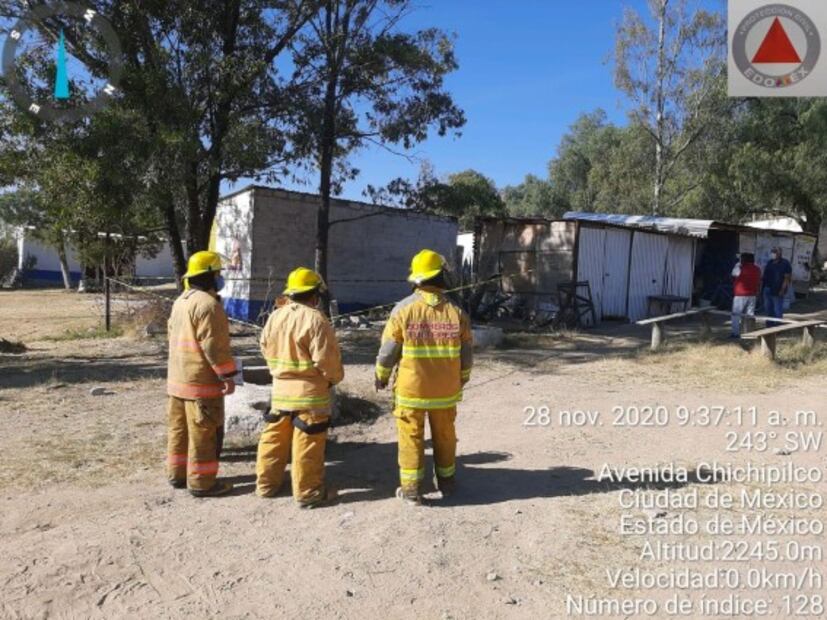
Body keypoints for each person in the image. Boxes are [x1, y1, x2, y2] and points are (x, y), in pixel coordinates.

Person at [375, 249, 473, 505]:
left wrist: (381, 375)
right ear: (441, 276)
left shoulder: (403, 310)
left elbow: (388, 352)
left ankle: (411, 490)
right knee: (445, 437)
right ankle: (447, 483)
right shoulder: (456, 312)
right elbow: (467, 353)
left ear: (417, 279)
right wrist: (462, 377)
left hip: (411, 392)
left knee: (411, 438)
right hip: (445, 393)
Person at [256, 267, 344, 508]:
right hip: (310, 394)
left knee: (274, 438)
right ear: (314, 294)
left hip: (280, 391)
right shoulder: (315, 319)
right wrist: (333, 379)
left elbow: (264, 346)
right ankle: (308, 492)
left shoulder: (276, 316)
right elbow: (327, 360)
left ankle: (266, 485)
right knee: (308, 442)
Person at [166, 251, 237, 497]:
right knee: (203, 434)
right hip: (201, 386)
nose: (219, 278)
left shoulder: (180, 301)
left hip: (177, 382)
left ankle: (177, 475)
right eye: (217, 274)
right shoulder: (208, 305)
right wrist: (227, 376)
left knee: (179, 431)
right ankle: (202, 483)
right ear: (209, 276)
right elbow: (214, 347)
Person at [730, 253, 761, 338]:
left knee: (736, 315)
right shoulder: (757, 269)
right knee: (749, 315)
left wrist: (737, 264)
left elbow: (733, 274)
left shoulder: (740, 268)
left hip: (740, 295)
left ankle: (735, 333)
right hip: (752, 294)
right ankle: (749, 332)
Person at [762, 247, 792, 326]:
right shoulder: (770, 262)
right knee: (768, 308)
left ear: (780, 253)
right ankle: (769, 325)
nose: (773, 253)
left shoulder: (785, 263)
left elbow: (787, 278)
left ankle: (778, 327)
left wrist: (782, 290)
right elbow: (765, 276)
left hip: (777, 289)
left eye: (775, 252)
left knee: (777, 309)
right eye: (772, 252)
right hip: (767, 288)